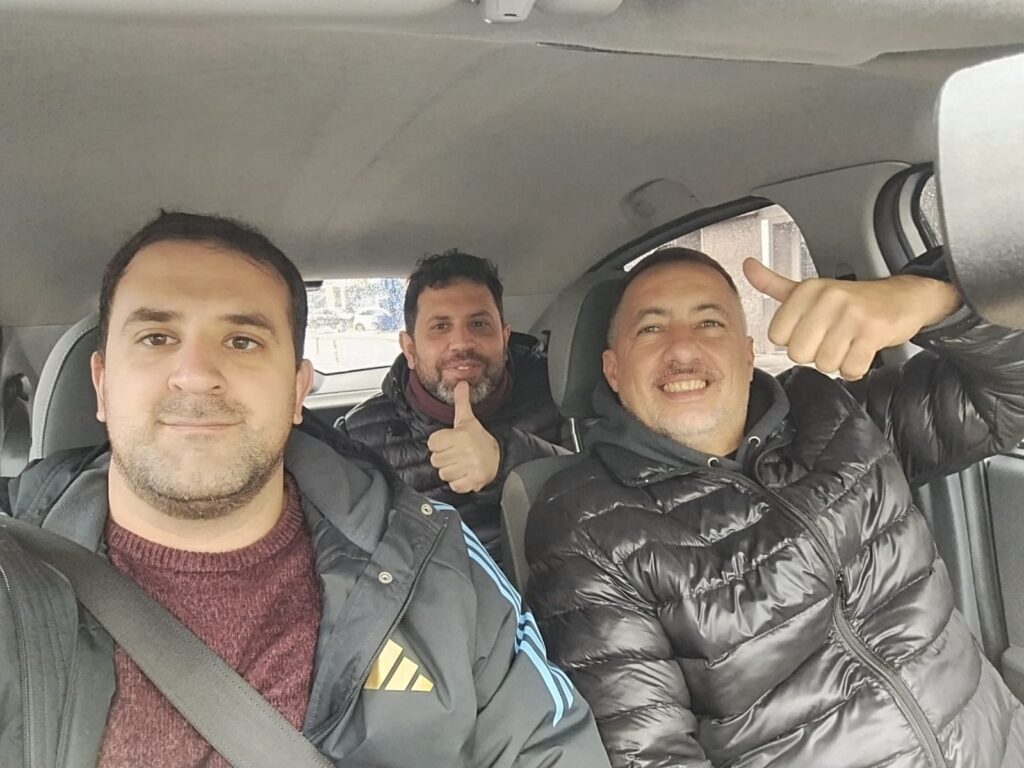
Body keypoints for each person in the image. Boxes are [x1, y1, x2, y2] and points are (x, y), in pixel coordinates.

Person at [0, 212, 609, 768]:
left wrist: (506, 460)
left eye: (242, 340)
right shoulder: (14, 577)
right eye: (156, 337)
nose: (196, 374)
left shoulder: (439, 571)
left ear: (297, 391)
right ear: (102, 384)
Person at [525, 246, 1024, 767]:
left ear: (747, 355)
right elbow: (651, 755)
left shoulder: (831, 413)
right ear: (612, 369)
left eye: (710, 323)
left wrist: (929, 300)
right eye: (650, 329)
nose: (683, 348)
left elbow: (1005, 401)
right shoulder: (585, 523)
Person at [339, 250, 572, 563]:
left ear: (504, 339)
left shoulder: (559, 392)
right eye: (440, 327)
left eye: (479, 323)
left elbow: (603, 496)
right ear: (410, 349)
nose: (462, 343)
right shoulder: (357, 438)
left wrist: (506, 460)